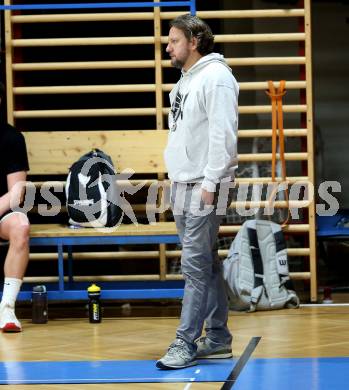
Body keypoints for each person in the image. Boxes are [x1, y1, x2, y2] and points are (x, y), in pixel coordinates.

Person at [156, 15, 239, 369]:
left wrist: (210, 182)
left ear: (194, 41)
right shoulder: (185, 81)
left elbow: (224, 135)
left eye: (174, 41)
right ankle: (217, 337)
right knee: (205, 263)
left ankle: (184, 342)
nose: (168, 47)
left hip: (206, 185)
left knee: (193, 266)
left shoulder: (217, 78)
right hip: (183, 184)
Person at [0, 82, 30, 332]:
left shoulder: (11, 138)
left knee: (21, 225)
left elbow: (17, 192)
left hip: (1, 213)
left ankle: (7, 309)